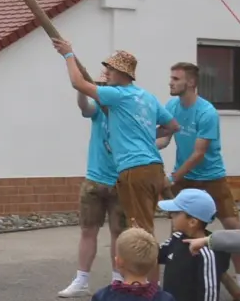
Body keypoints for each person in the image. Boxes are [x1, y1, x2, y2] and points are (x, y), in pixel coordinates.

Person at [162, 62, 240, 301]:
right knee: (178, 230)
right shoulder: (171, 106)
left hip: (211, 178)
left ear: (192, 82)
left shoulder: (206, 112)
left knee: (234, 228)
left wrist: (173, 177)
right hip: (184, 179)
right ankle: (181, 278)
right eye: (171, 78)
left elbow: (198, 154)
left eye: (176, 78)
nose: (171, 82)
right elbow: (164, 139)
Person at [53, 41, 173, 238]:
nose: (106, 74)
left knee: (139, 231)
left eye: (111, 70)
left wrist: (68, 55)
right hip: (154, 167)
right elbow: (173, 126)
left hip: (134, 169)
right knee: (144, 225)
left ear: (123, 73)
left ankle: (143, 265)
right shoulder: (146, 97)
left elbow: (78, 82)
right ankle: (137, 265)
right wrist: (145, 134)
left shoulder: (118, 95)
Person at [60, 65, 128, 298]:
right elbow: (84, 108)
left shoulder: (125, 106)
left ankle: (118, 280)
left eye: (110, 73)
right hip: (95, 178)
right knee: (88, 230)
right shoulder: (100, 106)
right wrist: (87, 90)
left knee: (119, 232)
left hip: (121, 180)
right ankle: (82, 280)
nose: (106, 76)